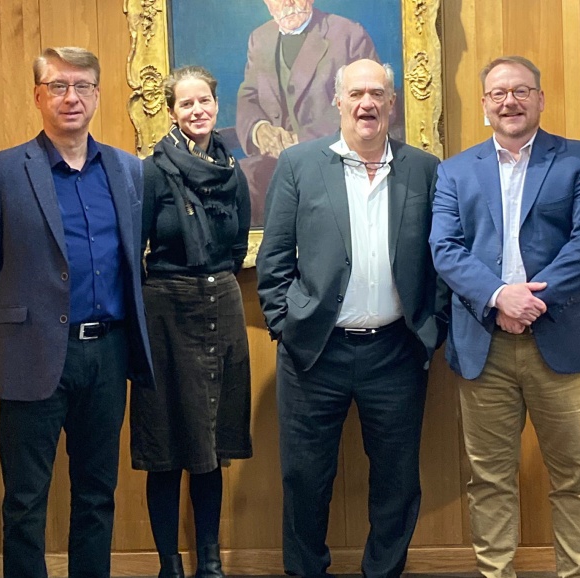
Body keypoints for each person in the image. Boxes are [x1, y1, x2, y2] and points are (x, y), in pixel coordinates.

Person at [0, 47, 154, 578]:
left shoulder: (129, 170)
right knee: (25, 500)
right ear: (38, 95)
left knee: (97, 494)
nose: (72, 97)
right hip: (33, 357)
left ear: (97, 94)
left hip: (108, 355)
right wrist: (15, 328)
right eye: (60, 86)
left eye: (84, 86)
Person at [256, 59, 447, 578]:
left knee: (397, 481)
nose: (367, 103)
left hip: (396, 352)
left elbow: (442, 260)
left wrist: (433, 330)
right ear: (337, 101)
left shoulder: (424, 169)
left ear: (391, 102)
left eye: (377, 93)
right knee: (304, 478)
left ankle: (383, 572)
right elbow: (272, 263)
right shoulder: (299, 164)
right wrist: (286, 324)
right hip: (315, 351)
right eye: (356, 93)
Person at [429, 56, 580, 578]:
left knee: (576, 476)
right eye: (498, 94)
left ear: (540, 98)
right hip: (483, 344)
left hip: (562, 340)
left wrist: (531, 299)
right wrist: (498, 297)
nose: (509, 101)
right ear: (485, 104)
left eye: (521, 91)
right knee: (489, 480)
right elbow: (445, 248)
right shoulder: (455, 170)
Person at [130, 65, 253, 578]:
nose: (197, 110)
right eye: (186, 104)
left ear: (215, 105)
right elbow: (134, 246)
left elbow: (240, 240)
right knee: (165, 443)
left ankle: (210, 561)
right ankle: (168, 565)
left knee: (210, 442)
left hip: (221, 303)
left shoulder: (232, 169)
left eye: (204, 101)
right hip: (165, 307)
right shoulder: (151, 171)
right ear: (172, 111)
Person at [236, 0, 379, 224]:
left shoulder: (349, 34)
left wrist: (301, 140)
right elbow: (249, 96)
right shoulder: (259, 38)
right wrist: (259, 130)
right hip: (273, 161)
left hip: (333, 158)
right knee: (242, 178)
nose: (288, 2)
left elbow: (368, 103)